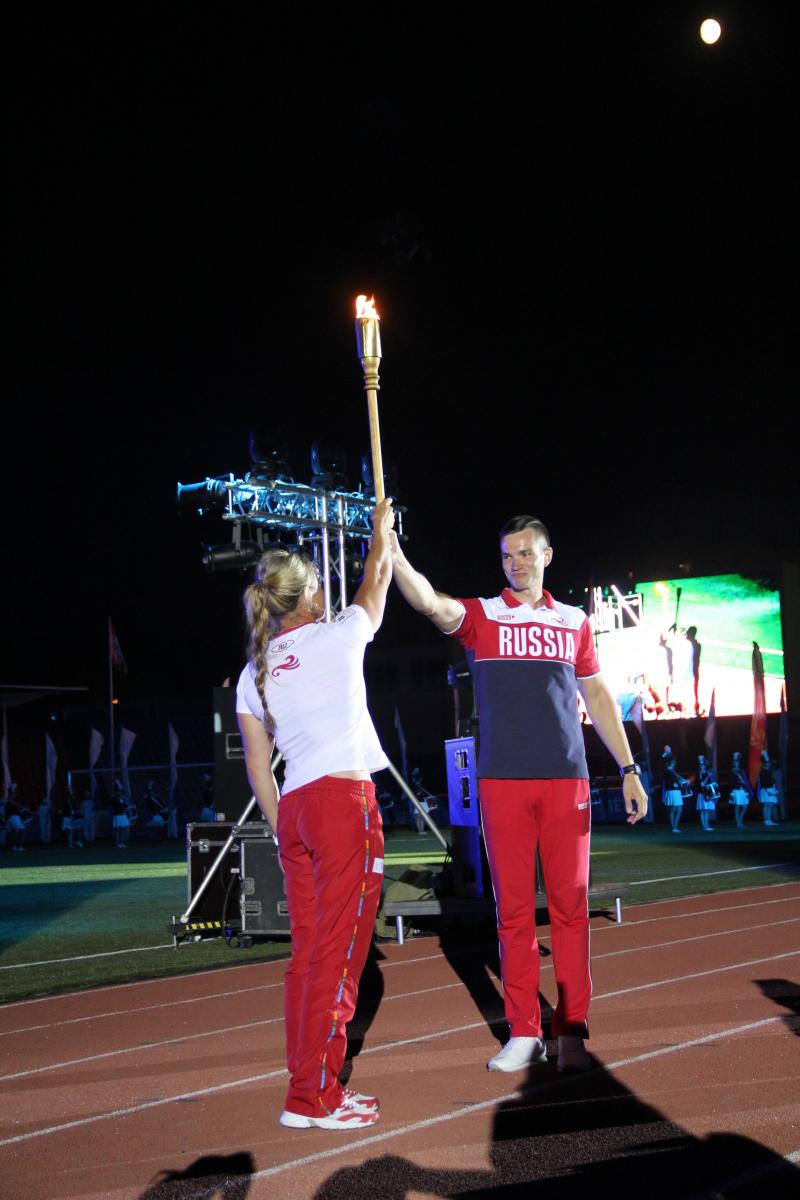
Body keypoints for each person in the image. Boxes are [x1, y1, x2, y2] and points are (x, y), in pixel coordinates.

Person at [390, 515, 648, 1074]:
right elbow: (431, 604)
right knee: (512, 913)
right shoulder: (484, 616)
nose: (517, 564)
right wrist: (395, 556)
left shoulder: (574, 622)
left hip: (566, 781)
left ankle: (572, 1028)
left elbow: (599, 698)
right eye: (509, 556)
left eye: (527, 553)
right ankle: (525, 1031)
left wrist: (629, 768)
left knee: (570, 910)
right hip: (502, 783)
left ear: (547, 556)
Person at [236, 497, 394, 1131]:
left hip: (296, 809)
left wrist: (280, 832)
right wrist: (380, 535)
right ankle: (314, 1096)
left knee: (307, 957)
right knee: (339, 955)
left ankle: (306, 1088)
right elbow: (375, 585)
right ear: (304, 598)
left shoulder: (256, 669)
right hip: (342, 806)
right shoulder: (338, 635)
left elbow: (257, 767)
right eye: (319, 583)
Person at [662, 746, 686, 833]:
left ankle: (675, 827)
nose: (675, 762)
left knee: (679, 809)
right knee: (673, 809)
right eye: (674, 761)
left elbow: (676, 775)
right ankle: (674, 827)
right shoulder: (667, 769)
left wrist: (682, 781)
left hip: (676, 790)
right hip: (671, 790)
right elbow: (665, 759)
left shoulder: (672, 770)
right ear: (671, 762)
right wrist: (667, 753)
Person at [728, 751, 751, 828]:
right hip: (736, 790)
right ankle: (738, 823)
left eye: (737, 762)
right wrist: (731, 794)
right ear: (733, 763)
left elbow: (744, 782)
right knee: (737, 807)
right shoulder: (732, 771)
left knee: (745, 806)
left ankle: (740, 821)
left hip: (742, 790)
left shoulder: (741, 771)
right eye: (735, 762)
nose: (736, 763)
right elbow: (731, 783)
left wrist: (747, 792)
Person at [695, 754, 718, 832]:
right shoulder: (698, 774)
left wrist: (714, 795)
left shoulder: (706, 773)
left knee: (706, 810)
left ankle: (706, 825)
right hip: (701, 794)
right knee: (703, 810)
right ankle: (704, 826)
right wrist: (707, 777)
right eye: (701, 765)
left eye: (703, 765)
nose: (702, 766)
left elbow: (710, 784)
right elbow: (701, 784)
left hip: (707, 793)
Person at [757, 751, 779, 826]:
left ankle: (769, 820)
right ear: (765, 763)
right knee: (766, 805)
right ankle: (766, 820)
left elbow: (772, 781)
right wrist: (767, 791)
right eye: (767, 763)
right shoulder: (763, 771)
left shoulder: (768, 771)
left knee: (770, 804)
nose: (769, 764)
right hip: (766, 789)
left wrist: (774, 789)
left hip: (770, 789)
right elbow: (763, 782)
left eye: (769, 762)